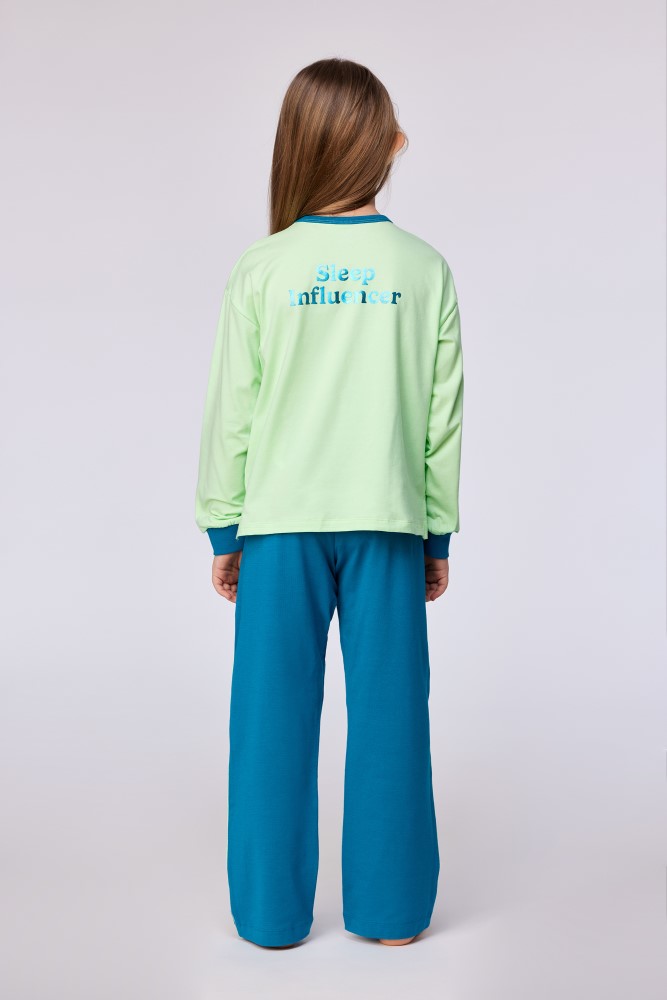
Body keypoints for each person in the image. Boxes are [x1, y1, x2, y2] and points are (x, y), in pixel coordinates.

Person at [194, 56, 464, 950]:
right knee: (392, 719)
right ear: (389, 146)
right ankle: (391, 916)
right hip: (387, 521)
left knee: (269, 721)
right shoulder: (422, 269)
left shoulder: (263, 269)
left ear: (297, 147)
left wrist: (224, 526)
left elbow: (232, 409)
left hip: (278, 527)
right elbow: (441, 418)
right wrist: (435, 534)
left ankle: (269, 917)